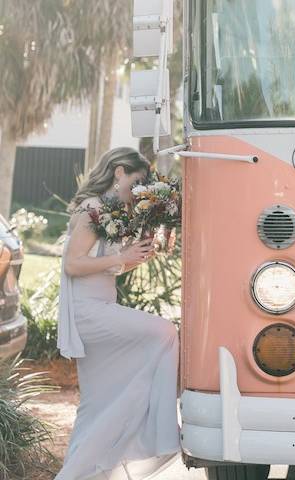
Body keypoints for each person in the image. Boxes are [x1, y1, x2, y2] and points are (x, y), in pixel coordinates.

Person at [53, 147, 181, 480]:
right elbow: (73, 265)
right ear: (119, 172)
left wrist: (131, 260)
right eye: (136, 182)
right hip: (90, 313)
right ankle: (160, 431)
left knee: (97, 404)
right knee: (165, 332)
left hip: (102, 306)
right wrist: (119, 257)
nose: (136, 191)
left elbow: (103, 268)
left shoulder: (112, 211)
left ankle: (80, 474)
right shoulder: (93, 209)